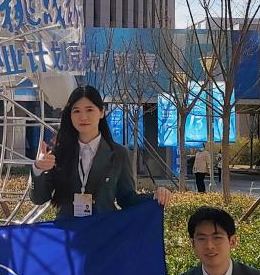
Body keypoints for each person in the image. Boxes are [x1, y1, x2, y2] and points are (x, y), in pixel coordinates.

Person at [29, 85, 171, 219]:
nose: (83, 117)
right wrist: (38, 169)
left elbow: (127, 199)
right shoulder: (58, 152)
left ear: (102, 112)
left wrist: (154, 197)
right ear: (70, 115)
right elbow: (39, 199)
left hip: (102, 232)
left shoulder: (118, 153)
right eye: (76, 111)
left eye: (89, 110)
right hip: (67, 232)